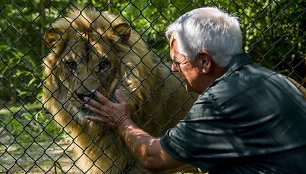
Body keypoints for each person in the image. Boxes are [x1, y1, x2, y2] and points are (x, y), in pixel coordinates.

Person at [84, 7, 306, 174]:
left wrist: (121, 120)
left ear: (204, 62)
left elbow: (154, 157)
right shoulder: (278, 81)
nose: (172, 68)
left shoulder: (219, 102)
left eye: (178, 61)